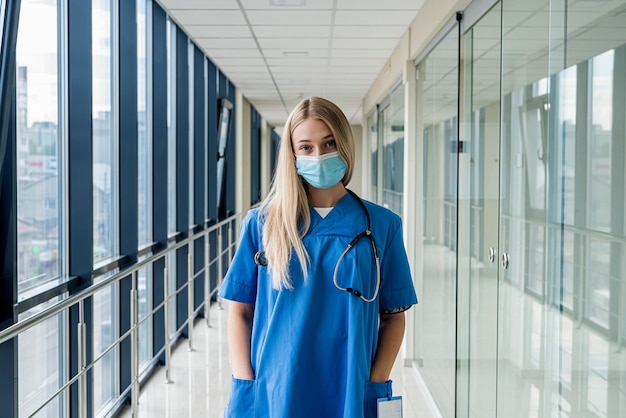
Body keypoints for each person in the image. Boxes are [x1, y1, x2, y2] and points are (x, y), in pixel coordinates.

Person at [218, 96, 418, 418]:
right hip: (276, 387)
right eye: (306, 147)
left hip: (350, 386)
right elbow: (240, 312)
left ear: (344, 144)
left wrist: (375, 382)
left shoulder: (382, 226)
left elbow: (394, 317)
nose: (319, 156)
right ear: (293, 154)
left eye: (328, 144)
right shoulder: (262, 224)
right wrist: (246, 382)